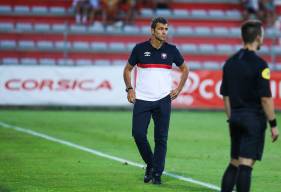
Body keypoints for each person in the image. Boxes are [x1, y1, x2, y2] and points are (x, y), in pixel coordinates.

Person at [123, 17, 188, 184]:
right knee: (138, 134)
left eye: (166, 29)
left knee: (161, 138)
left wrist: (178, 89)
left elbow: (185, 69)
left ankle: (157, 174)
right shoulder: (139, 49)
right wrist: (130, 89)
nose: (164, 32)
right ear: (152, 31)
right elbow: (127, 70)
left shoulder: (172, 50)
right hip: (142, 99)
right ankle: (151, 165)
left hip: (163, 100)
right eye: (160, 29)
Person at [220, 20, 279, 192]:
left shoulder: (229, 63)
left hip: (235, 117)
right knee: (246, 165)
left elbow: (226, 96)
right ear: (258, 37)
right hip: (253, 119)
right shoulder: (261, 65)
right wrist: (273, 125)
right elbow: (266, 99)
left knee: (234, 161)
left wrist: (231, 118)